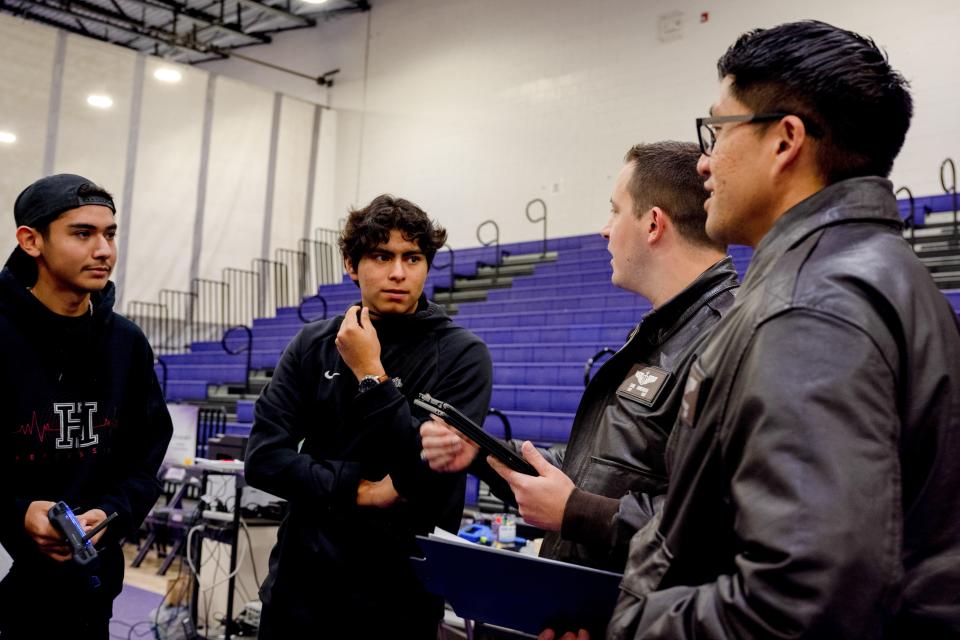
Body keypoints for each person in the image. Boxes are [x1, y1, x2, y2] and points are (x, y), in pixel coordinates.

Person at [606, 21, 960, 640]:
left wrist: (643, 626)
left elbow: (803, 601)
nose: (703, 160)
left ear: (785, 141)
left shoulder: (809, 309)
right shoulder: (874, 275)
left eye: (716, 131)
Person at [421, 142, 739, 572]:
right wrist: (481, 453)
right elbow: (590, 474)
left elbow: (721, 527)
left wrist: (577, 513)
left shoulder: (728, 337)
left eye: (614, 210)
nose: (605, 229)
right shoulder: (664, 329)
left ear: (653, 224)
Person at [244, 194, 493, 638]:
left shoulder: (462, 355)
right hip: (298, 594)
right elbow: (264, 458)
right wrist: (360, 491)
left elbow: (425, 480)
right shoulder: (313, 343)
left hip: (397, 604)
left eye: (412, 257)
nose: (398, 272)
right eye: (382, 256)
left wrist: (372, 376)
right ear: (351, 263)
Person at [0, 174, 173, 638]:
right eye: (83, 233)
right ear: (31, 240)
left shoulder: (127, 343)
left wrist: (112, 512)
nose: (104, 250)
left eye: (110, 233)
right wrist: (16, 513)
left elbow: (145, 457)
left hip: (90, 593)